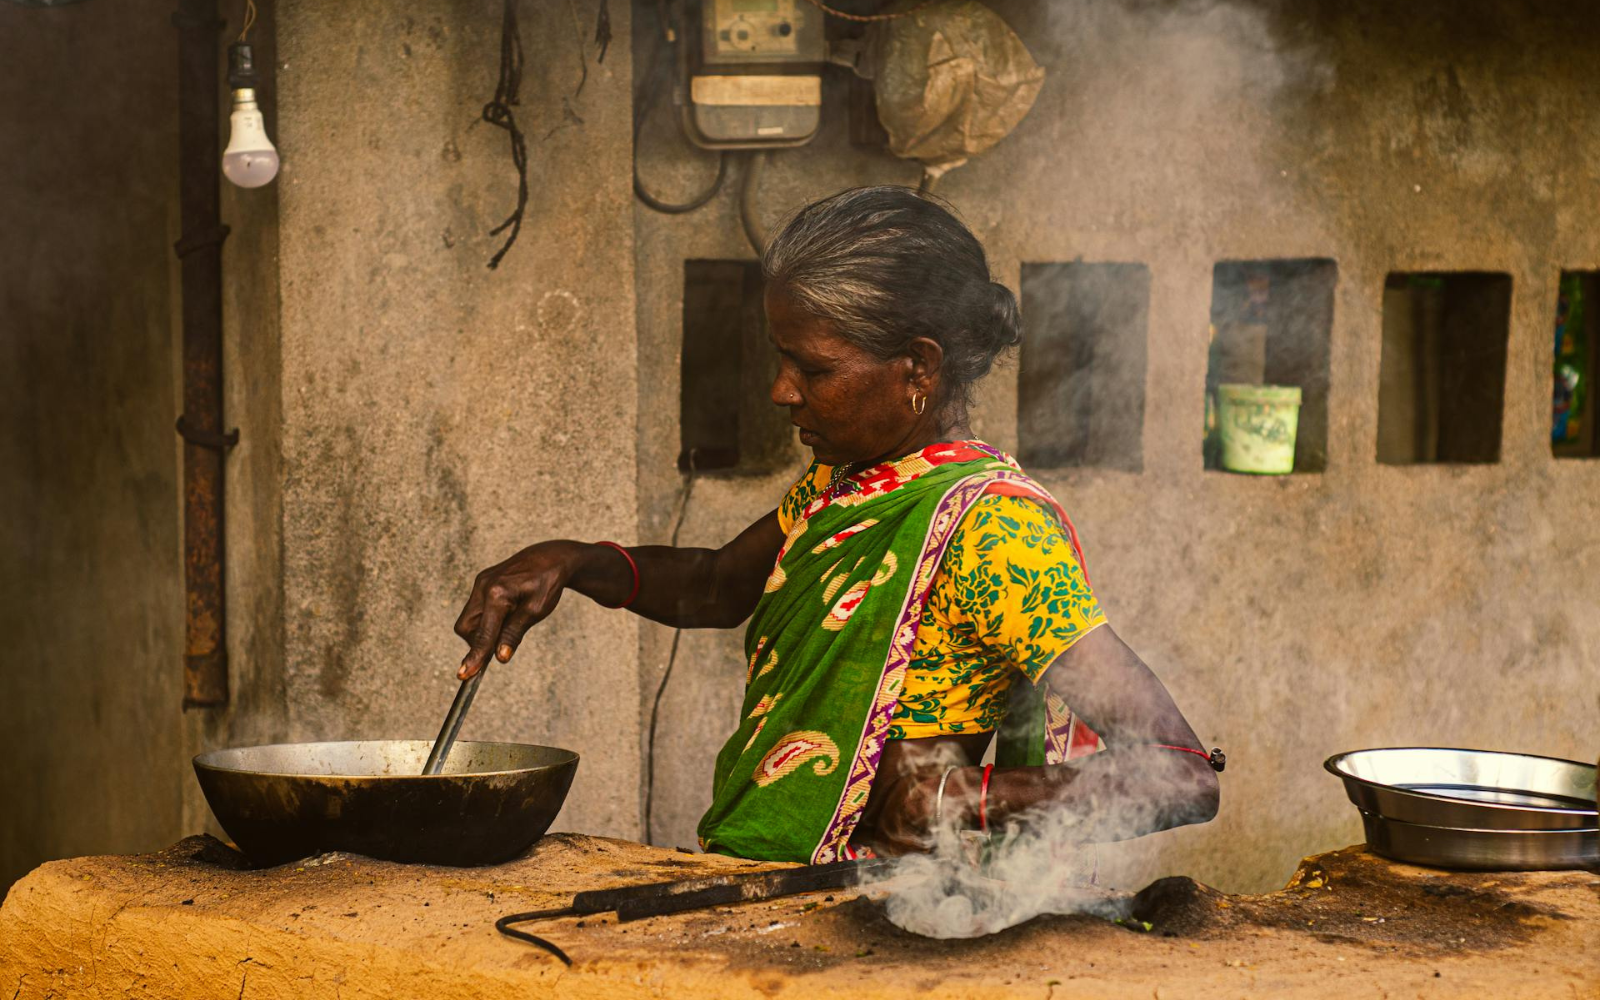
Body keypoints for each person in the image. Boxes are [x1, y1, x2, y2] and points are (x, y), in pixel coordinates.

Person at [453, 186, 1219, 864]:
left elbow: (1179, 771)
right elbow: (722, 585)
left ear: (918, 366)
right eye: (782, 359)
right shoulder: (846, 481)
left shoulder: (993, 534)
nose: (783, 391)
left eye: (813, 369)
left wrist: (959, 802)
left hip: (891, 923)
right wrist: (578, 561)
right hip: (771, 883)